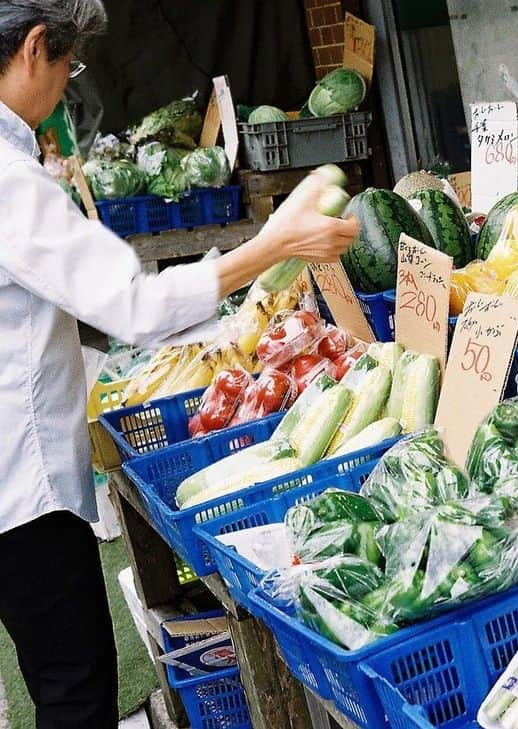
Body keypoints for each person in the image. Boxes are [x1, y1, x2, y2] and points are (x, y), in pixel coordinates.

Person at [0, 2, 359, 726]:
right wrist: (274, 243)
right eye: (69, 65)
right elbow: (133, 304)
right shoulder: (9, 179)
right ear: (36, 47)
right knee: (76, 691)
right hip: (21, 493)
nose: (68, 83)